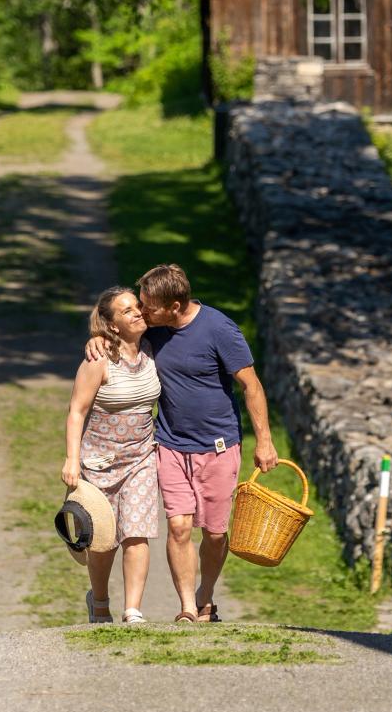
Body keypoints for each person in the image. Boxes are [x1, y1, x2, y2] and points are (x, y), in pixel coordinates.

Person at [87, 263, 275, 623]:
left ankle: (206, 595)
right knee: (178, 526)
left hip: (219, 447)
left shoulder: (219, 329)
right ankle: (189, 607)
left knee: (217, 534)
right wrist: (96, 337)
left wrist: (264, 441)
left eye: (149, 306)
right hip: (171, 445)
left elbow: (251, 386)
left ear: (174, 306)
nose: (142, 312)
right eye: (140, 305)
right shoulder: (153, 330)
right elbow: (117, 336)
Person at [63, 287, 164, 623]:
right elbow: (77, 411)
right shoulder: (98, 359)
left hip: (141, 458)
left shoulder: (153, 347)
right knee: (103, 541)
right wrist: (71, 460)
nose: (137, 312)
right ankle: (100, 601)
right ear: (112, 325)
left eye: (137, 306)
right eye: (127, 310)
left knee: (137, 531)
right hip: (99, 462)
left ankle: (132, 609)